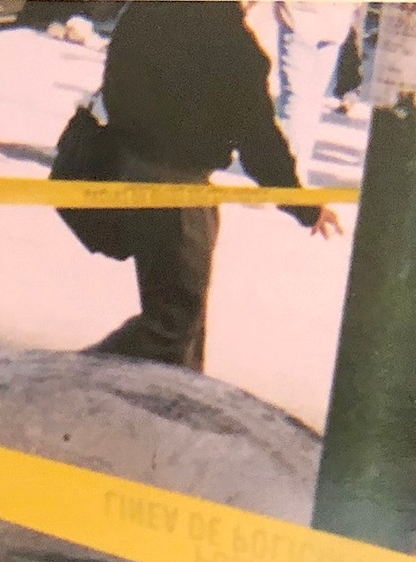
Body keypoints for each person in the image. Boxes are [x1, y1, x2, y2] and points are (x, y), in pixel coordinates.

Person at [90, 0, 344, 370]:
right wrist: (302, 205)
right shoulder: (232, 44)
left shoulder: (148, 10)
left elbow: (114, 85)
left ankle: (176, 399)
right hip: (178, 185)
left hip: (130, 161)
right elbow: (259, 140)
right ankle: (79, 380)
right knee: (174, 324)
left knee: (178, 318)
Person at [272, 2, 360, 176]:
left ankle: (288, 175)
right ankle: (299, 171)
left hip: (299, 15)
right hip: (335, 20)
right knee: (312, 102)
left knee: (295, 101)